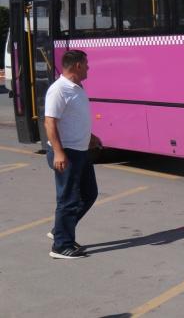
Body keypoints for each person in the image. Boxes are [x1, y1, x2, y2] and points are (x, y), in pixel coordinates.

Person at [44, 49, 101, 259]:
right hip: (67, 152)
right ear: (77, 66)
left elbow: (74, 118)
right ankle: (61, 246)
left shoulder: (76, 88)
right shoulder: (59, 90)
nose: (88, 67)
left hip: (81, 150)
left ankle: (61, 230)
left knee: (89, 194)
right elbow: (50, 122)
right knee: (68, 199)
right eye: (86, 64)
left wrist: (91, 136)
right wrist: (59, 153)